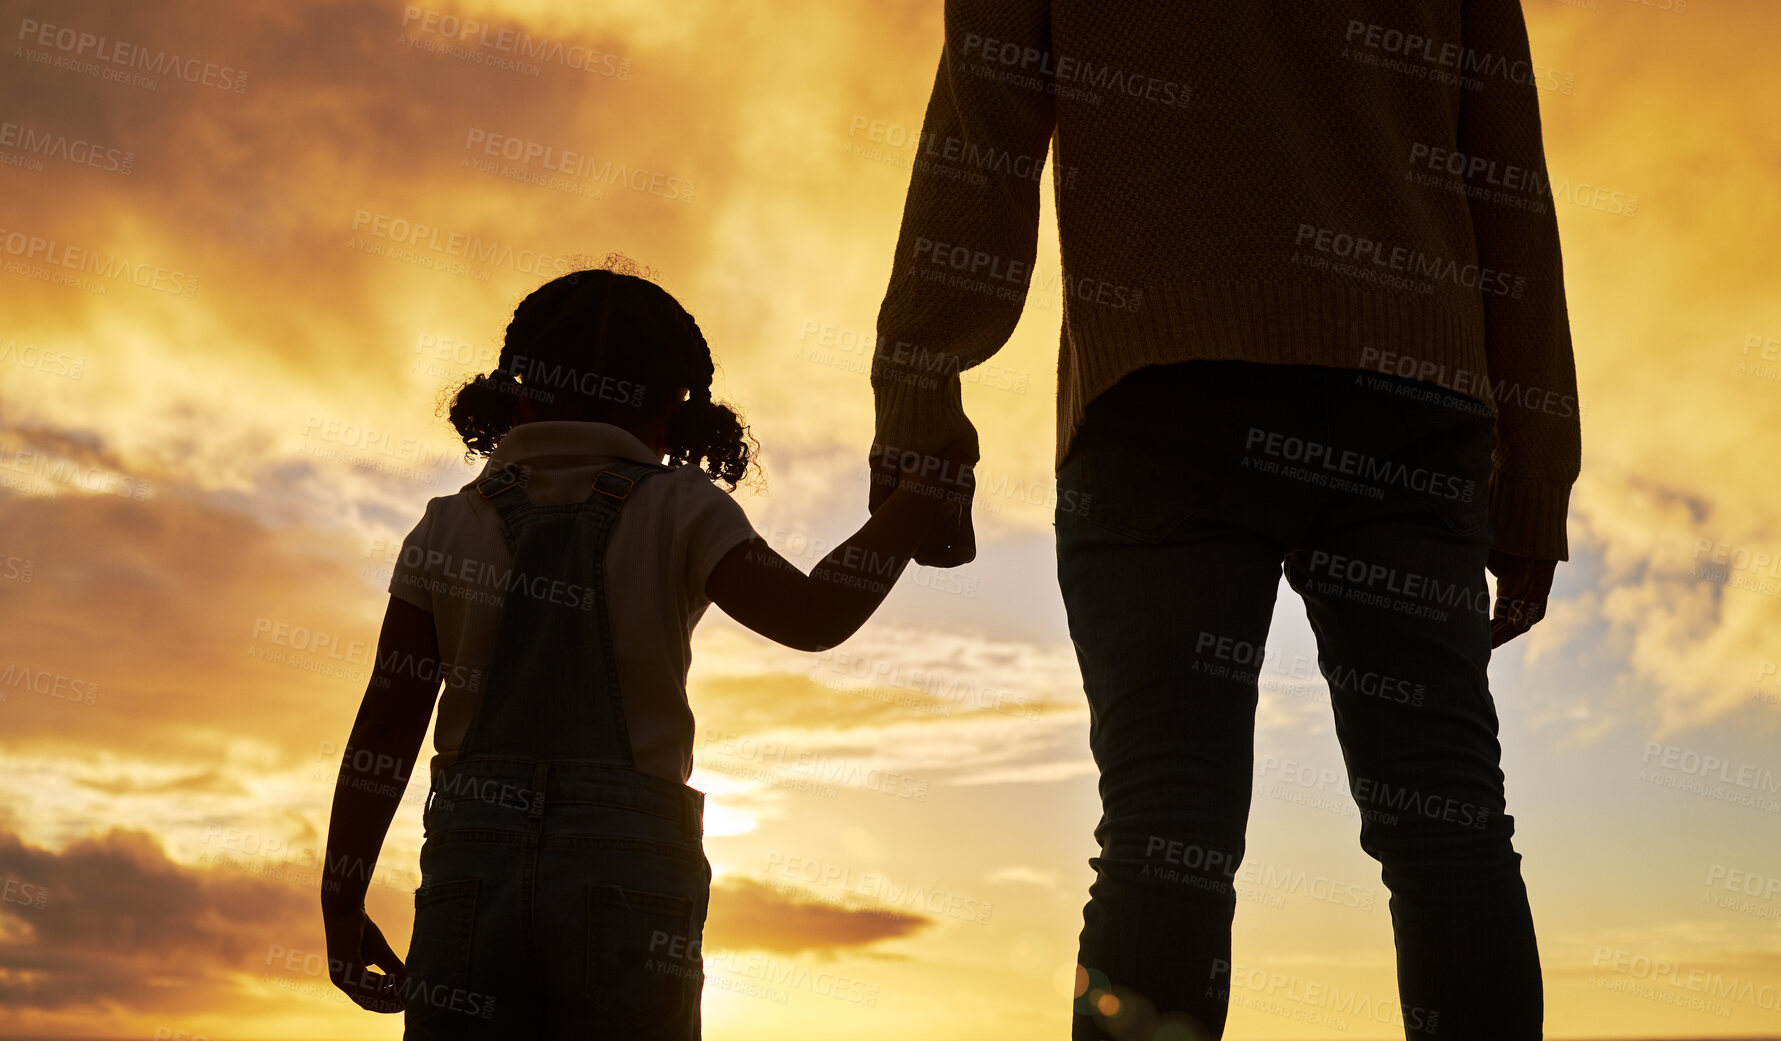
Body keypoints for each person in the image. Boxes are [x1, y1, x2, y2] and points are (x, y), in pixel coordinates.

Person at [865, 3, 1580, 1039]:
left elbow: (980, 146)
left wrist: (919, 394)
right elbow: (1509, 184)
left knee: (1165, 828)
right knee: (1447, 823)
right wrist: (1536, 471)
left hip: (1161, 391)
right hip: (1406, 397)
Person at [319, 262, 960, 1038]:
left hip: (470, 878)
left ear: (516, 393)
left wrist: (342, 897)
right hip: (629, 880)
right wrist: (917, 498)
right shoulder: (680, 507)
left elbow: (386, 731)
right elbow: (814, 614)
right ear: (673, 414)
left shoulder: (445, 526)